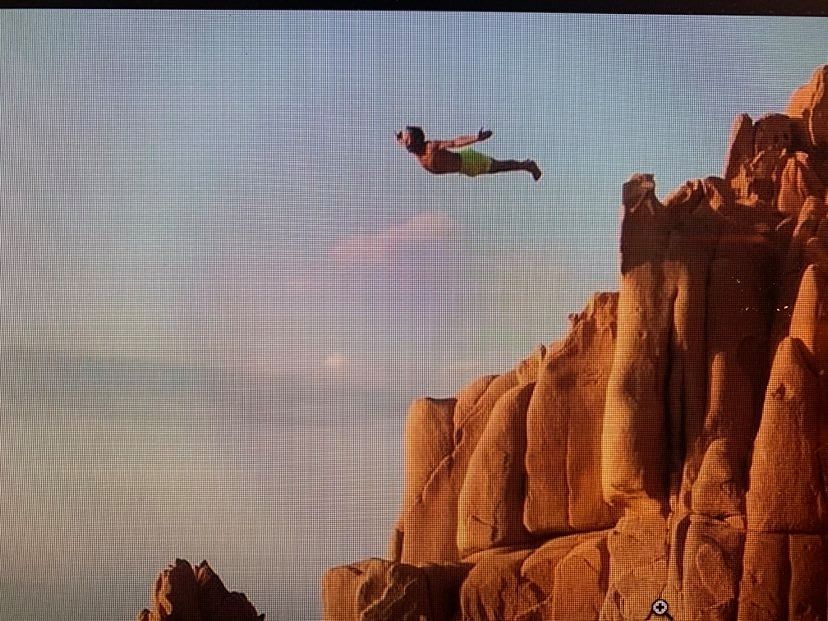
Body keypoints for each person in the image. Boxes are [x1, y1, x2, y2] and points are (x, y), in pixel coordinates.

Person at [396, 126, 542, 181]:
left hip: (469, 161)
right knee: (499, 168)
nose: (406, 143)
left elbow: (454, 142)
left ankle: (528, 165)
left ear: (416, 140)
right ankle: (527, 165)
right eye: (405, 141)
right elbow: (402, 138)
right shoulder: (417, 153)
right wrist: (400, 136)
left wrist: (476, 138)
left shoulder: (431, 147)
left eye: (408, 140)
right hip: (465, 169)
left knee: (500, 166)